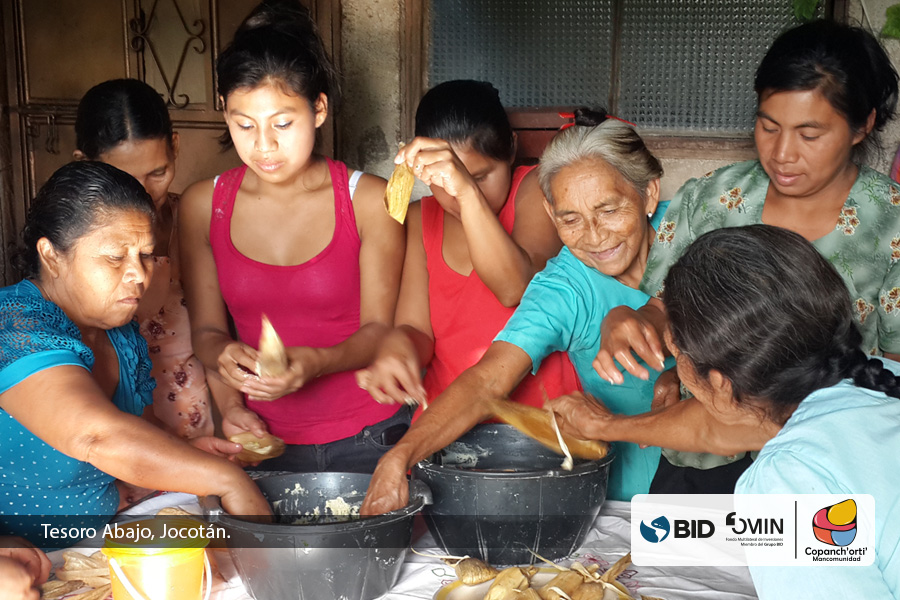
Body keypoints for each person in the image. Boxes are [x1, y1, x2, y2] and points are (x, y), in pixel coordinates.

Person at [592, 19, 900, 493]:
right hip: (700, 454)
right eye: (768, 126)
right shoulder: (712, 199)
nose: (782, 153)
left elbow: (893, 373)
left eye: (809, 135)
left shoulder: (890, 225)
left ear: (863, 125)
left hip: (824, 469)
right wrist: (631, 320)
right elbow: (666, 306)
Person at [557, 225, 900, 598]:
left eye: (675, 351)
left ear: (721, 385)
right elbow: (726, 426)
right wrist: (604, 425)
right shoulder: (877, 379)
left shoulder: (787, 482)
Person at [361, 110, 675, 515]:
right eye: (570, 218)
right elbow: (487, 380)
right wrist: (398, 457)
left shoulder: (693, 227)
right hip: (629, 504)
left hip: (727, 483)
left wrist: (680, 374)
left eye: (610, 210)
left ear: (649, 194)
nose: (595, 236)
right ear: (550, 213)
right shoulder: (564, 287)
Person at [178, 0, 405, 473]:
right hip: (262, 440)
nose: (263, 146)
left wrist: (317, 362)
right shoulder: (203, 205)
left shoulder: (368, 200)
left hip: (371, 436)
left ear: (318, 108)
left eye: (283, 123)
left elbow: (380, 331)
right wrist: (228, 379)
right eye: (244, 125)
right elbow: (206, 332)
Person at [0, 161, 270, 546]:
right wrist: (227, 479)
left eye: (145, 255)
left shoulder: (121, 334)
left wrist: (184, 454)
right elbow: (96, 435)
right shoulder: (13, 324)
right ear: (52, 256)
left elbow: (135, 434)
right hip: (25, 559)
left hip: (99, 541)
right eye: (115, 257)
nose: (140, 275)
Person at [355, 80, 578, 411]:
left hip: (540, 419)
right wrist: (399, 348)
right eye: (444, 180)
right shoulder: (420, 219)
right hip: (451, 416)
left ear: (511, 149)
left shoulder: (535, 188)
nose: (457, 193)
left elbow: (516, 288)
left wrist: (466, 191)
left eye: (480, 177)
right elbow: (417, 329)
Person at [75, 78, 214, 441]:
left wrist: (231, 409)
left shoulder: (193, 220)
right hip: (120, 430)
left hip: (198, 420)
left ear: (175, 147)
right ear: (83, 165)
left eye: (158, 173)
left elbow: (216, 329)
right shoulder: (72, 246)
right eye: (123, 178)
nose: (144, 193)